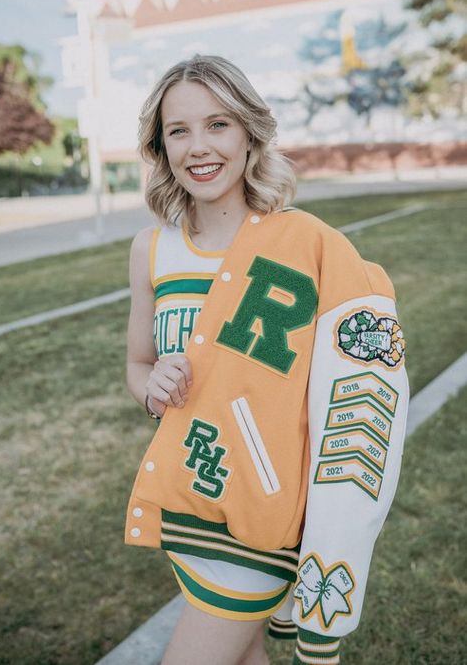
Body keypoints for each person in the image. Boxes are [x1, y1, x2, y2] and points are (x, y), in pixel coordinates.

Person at [125, 54, 409, 665]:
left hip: (260, 522)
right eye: (179, 130)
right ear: (161, 145)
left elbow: (355, 368)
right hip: (192, 502)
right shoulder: (152, 251)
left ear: (250, 132)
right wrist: (153, 386)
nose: (199, 147)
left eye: (218, 124)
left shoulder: (302, 244)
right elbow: (137, 364)